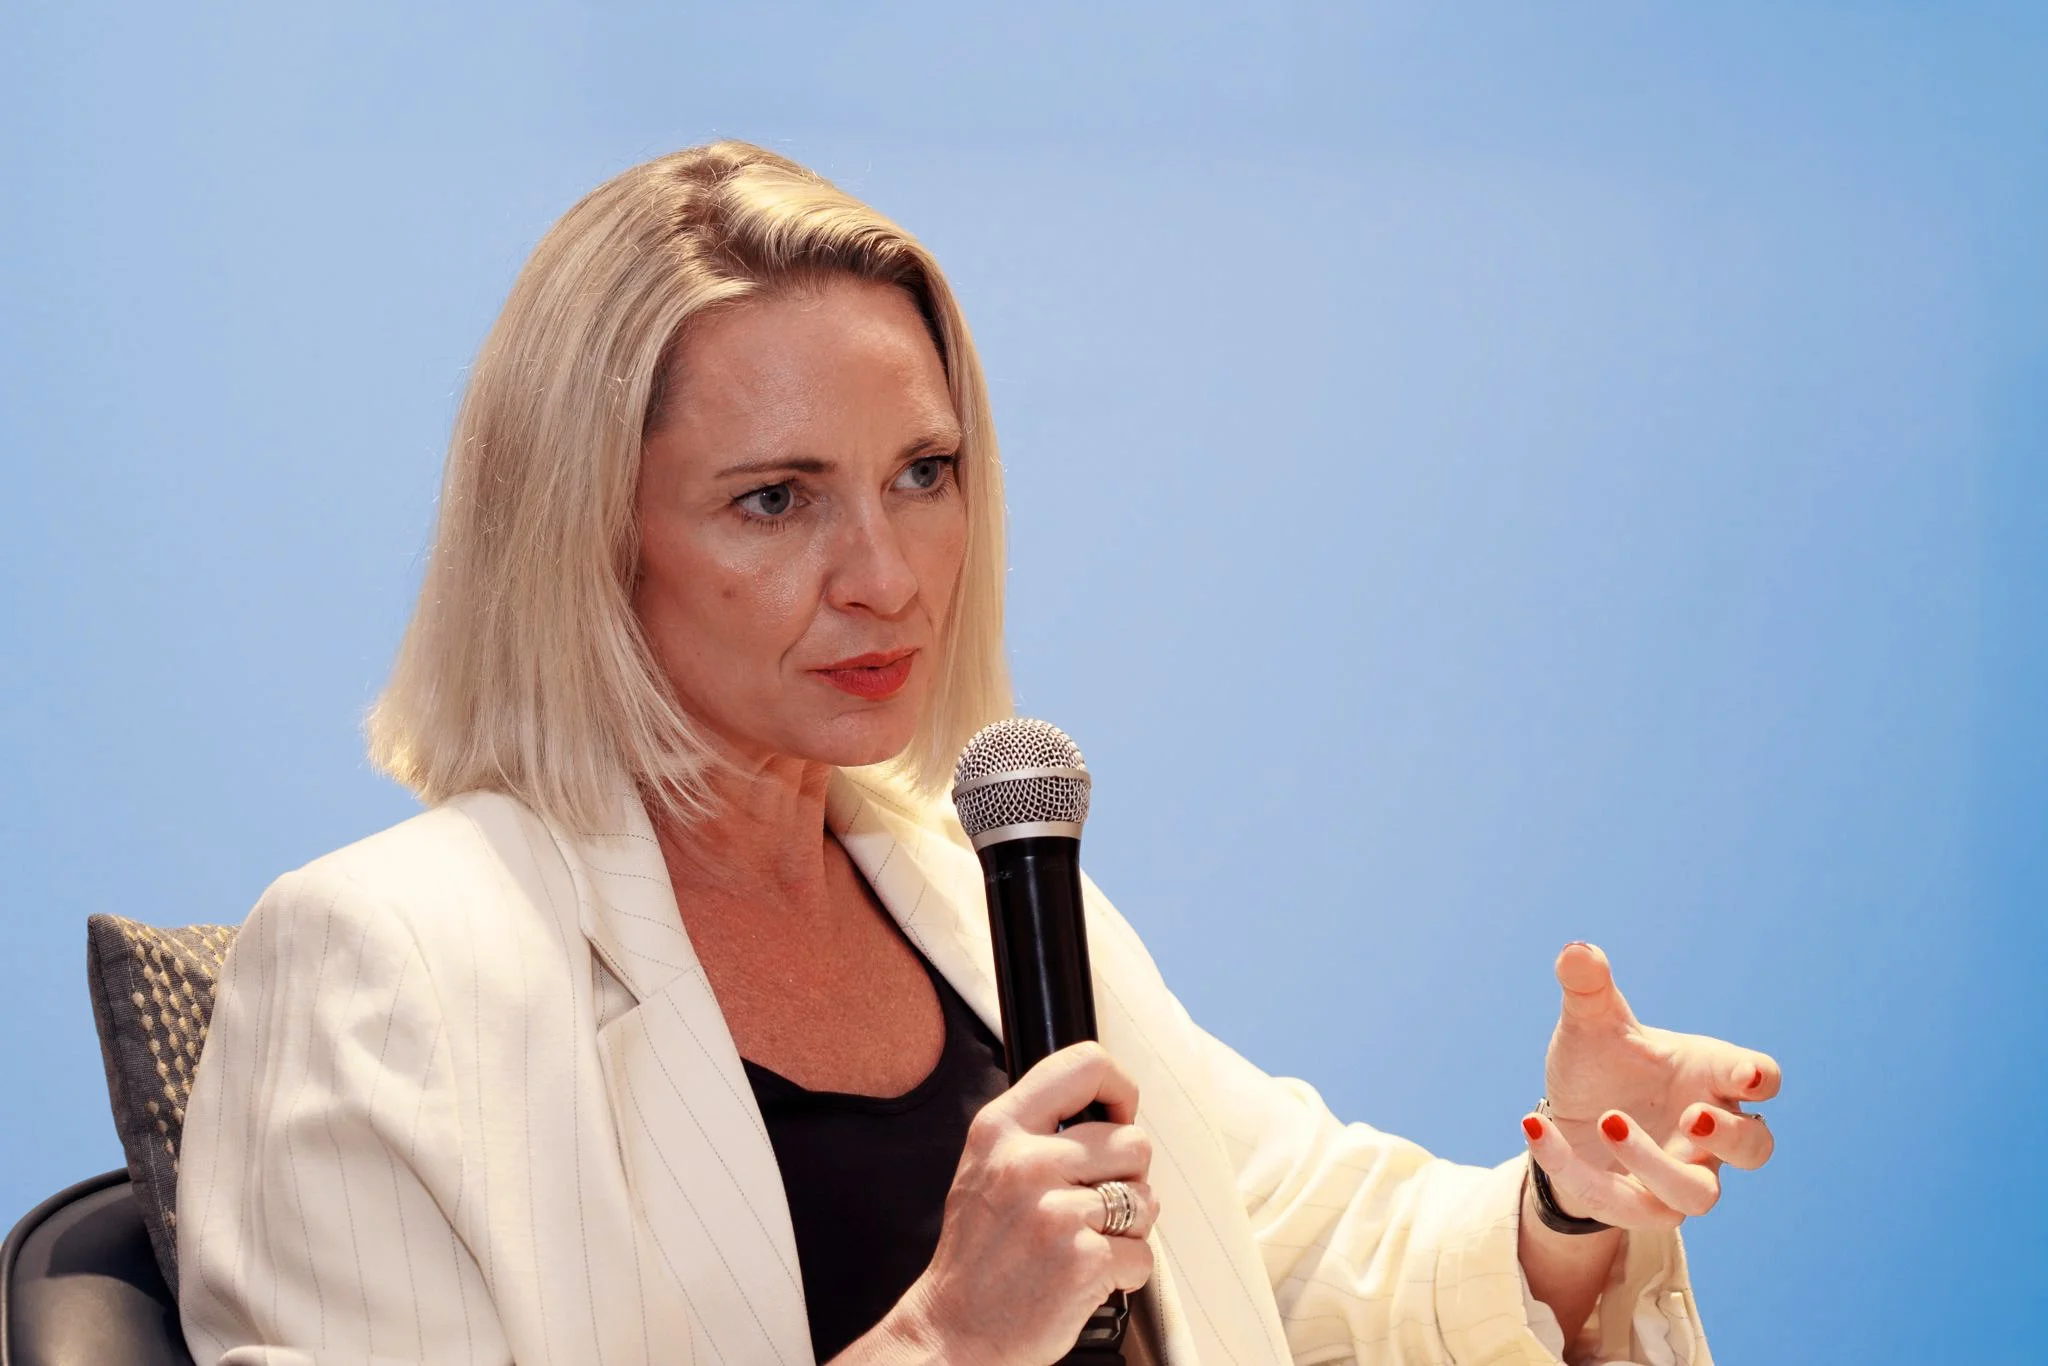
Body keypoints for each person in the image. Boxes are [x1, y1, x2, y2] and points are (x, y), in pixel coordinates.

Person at [175, 140, 1780, 1366]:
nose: (886, 574)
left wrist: (1572, 1195)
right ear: (586, 541)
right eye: (776, 499)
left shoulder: (977, 891)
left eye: (923, 473)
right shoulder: (379, 963)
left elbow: (1302, 1250)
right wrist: (948, 1338)